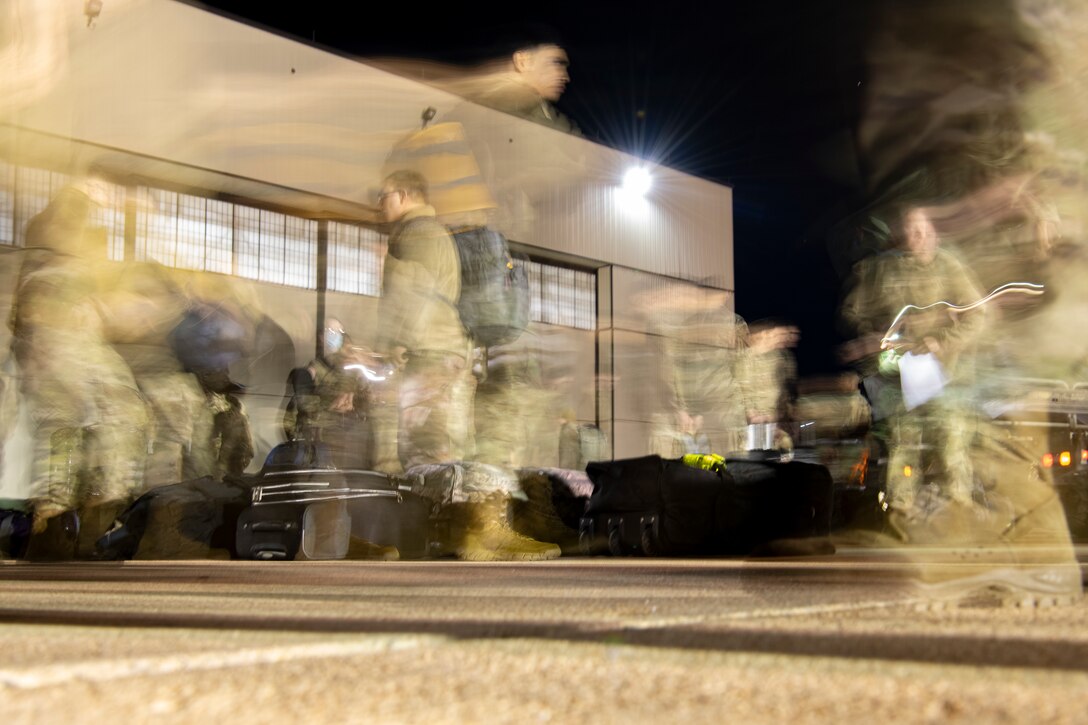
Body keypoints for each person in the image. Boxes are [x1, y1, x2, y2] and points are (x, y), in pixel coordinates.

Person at [376, 169, 558, 560]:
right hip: (450, 356)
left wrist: (390, 346)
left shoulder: (418, 233)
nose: (380, 203)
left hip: (431, 357)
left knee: (428, 454)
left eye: (385, 195)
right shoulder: (433, 233)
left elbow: (411, 296)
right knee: (444, 450)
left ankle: (473, 536)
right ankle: (465, 535)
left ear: (406, 194)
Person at [9, 173, 149, 555]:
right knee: (78, 426)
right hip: (59, 342)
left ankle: (76, 513)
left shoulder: (58, 252)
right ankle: (73, 514)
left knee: (80, 428)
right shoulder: (55, 239)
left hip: (63, 343)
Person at [841, 205, 986, 516]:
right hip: (901, 375)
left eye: (921, 230)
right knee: (902, 443)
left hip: (948, 375)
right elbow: (852, 311)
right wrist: (878, 335)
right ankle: (901, 511)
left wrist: (944, 342)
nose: (916, 237)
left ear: (933, 233)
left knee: (952, 441)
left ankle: (959, 508)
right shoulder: (884, 269)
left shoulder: (950, 267)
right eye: (909, 231)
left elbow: (978, 314)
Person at [283, 318, 371, 469]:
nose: (334, 336)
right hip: (319, 442)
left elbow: (364, 401)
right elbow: (302, 389)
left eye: (338, 333)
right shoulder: (319, 368)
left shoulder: (356, 373)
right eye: (329, 332)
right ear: (321, 337)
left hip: (344, 442)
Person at [739, 319, 800, 454]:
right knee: (756, 457)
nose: (782, 339)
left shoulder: (782, 359)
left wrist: (789, 415)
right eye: (776, 335)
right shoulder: (745, 359)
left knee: (781, 455)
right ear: (763, 335)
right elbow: (740, 388)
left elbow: (787, 391)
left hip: (774, 421)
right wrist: (751, 413)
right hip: (754, 422)